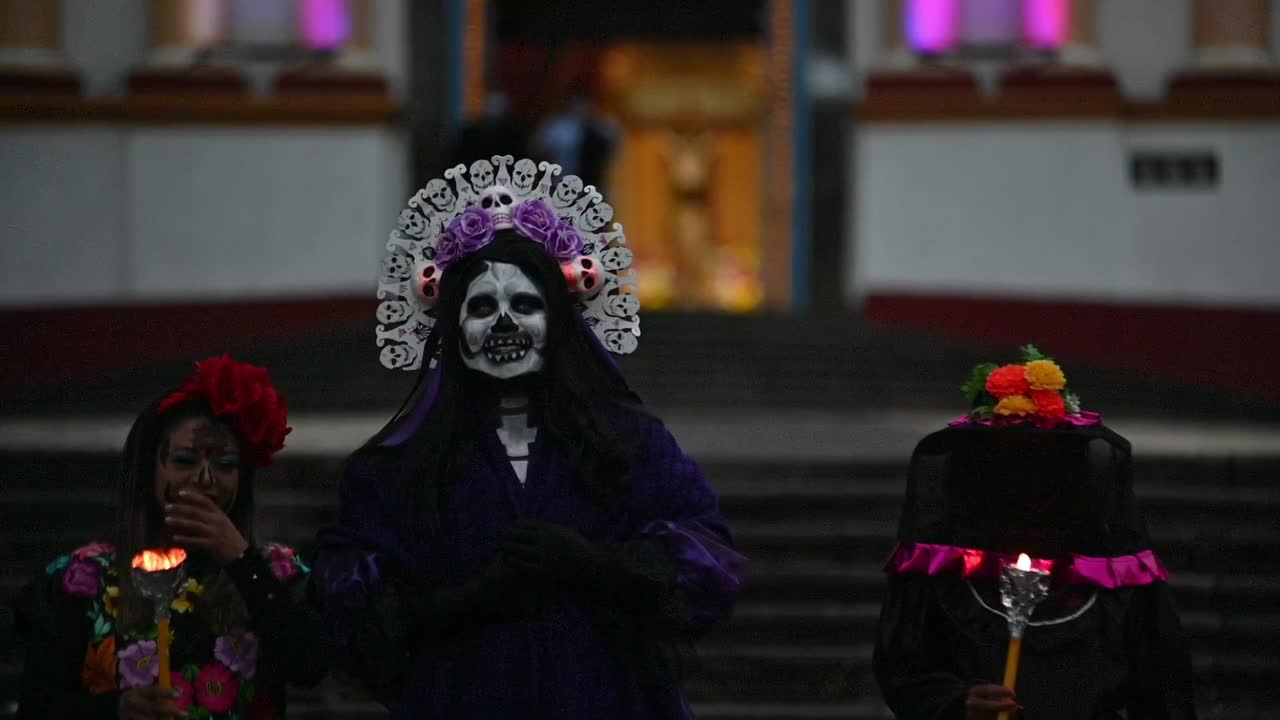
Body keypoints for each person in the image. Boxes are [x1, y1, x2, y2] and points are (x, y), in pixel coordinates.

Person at [311, 155, 746, 718]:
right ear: (453, 329)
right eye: (483, 307)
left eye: (525, 304)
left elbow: (707, 558)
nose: (505, 324)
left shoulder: (630, 447)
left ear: (560, 325)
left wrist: (598, 563)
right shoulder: (398, 469)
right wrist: (460, 602)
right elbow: (349, 605)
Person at [873, 346, 1196, 719]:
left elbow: (1164, 690)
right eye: (1009, 465)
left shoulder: (1118, 574)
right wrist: (957, 703)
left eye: (1044, 467)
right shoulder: (938, 567)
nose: (1027, 485)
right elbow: (903, 669)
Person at [14, 355, 327, 719]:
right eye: (184, 461)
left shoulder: (276, 571)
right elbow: (37, 707)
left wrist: (243, 562)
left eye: (225, 465)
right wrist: (114, 710)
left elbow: (310, 666)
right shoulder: (83, 578)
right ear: (148, 471)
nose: (205, 480)